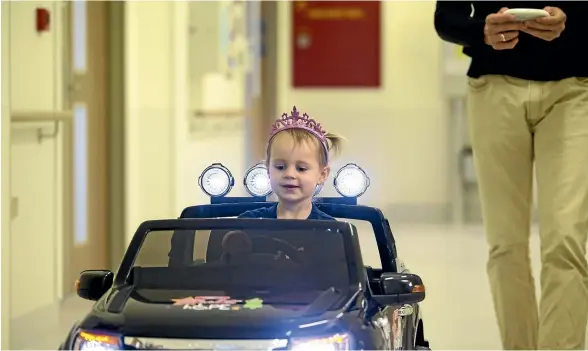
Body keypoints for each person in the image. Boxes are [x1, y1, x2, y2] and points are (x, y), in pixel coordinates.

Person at [434, 2, 588, 350]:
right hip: (494, 88)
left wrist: (573, 20)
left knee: (566, 240)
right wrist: (482, 32)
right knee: (506, 245)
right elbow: (446, 18)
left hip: (574, 90)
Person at [238, 106, 343, 220]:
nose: (289, 174)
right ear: (268, 170)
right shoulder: (250, 222)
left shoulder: (330, 229)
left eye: (301, 168)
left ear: (322, 174)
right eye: (280, 167)